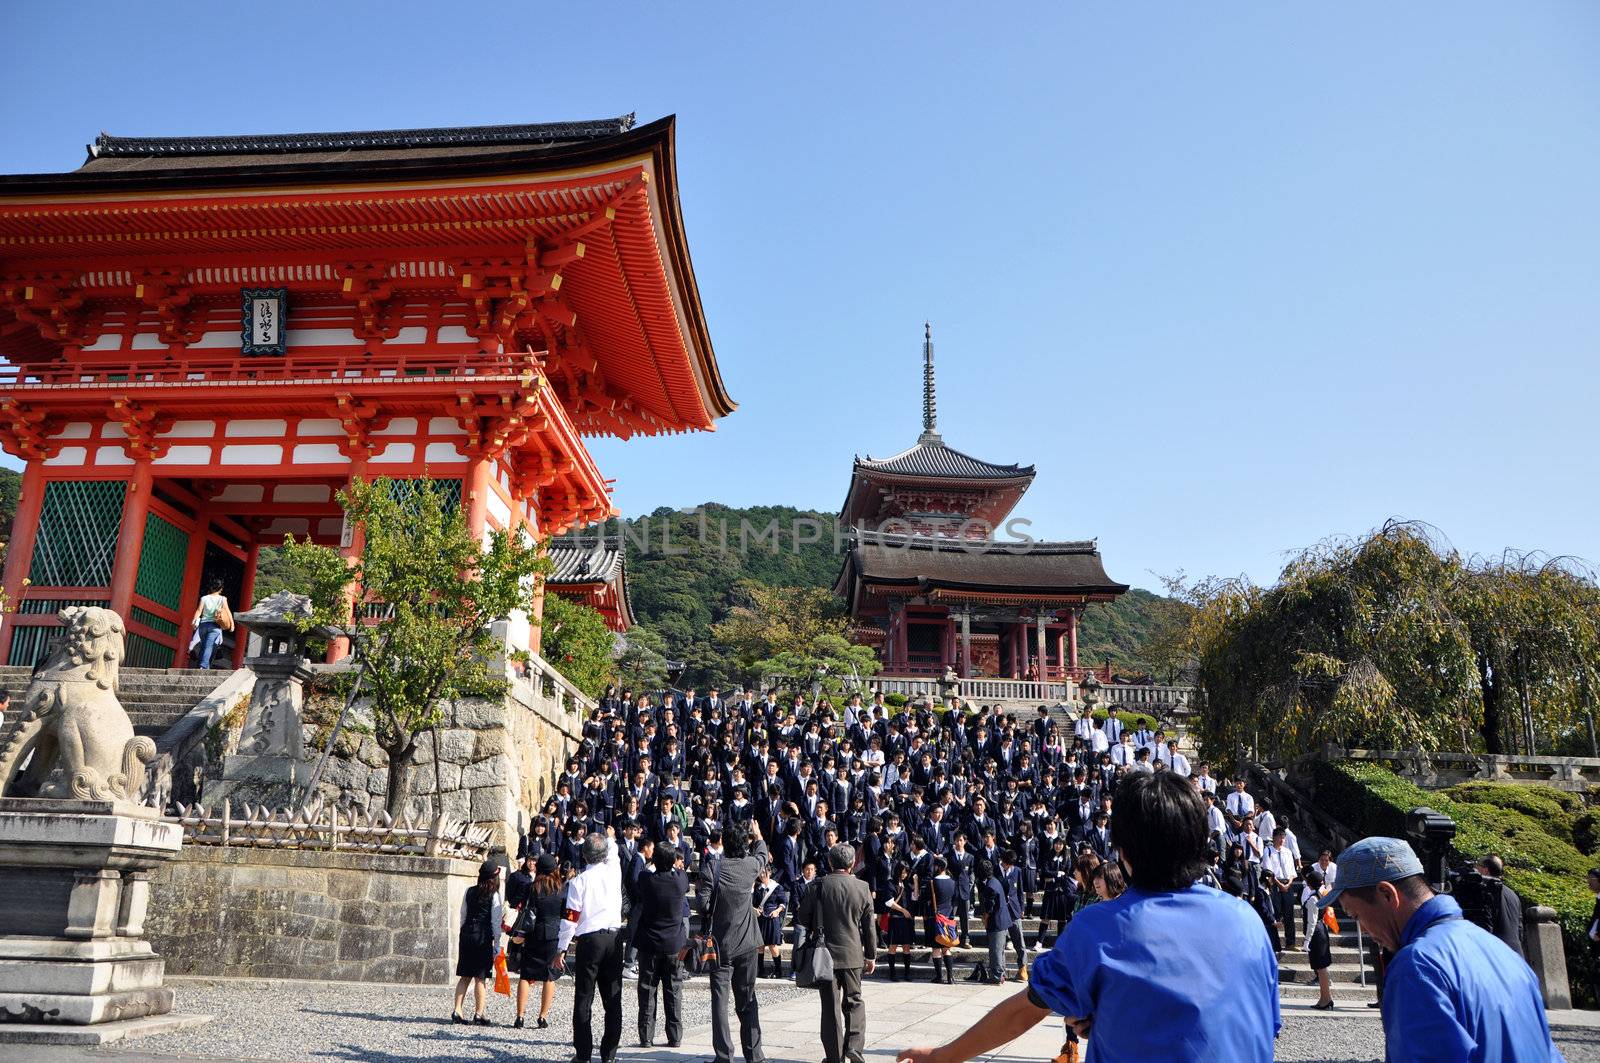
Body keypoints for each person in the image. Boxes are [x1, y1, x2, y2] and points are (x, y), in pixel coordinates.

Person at [898, 772, 1280, 1063]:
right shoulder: (1246, 920)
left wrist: (941, 1056)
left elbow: (1024, 1011)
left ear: (1123, 853)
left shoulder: (1099, 927)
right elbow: (1251, 1023)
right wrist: (1119, 1018)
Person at [1321, 836, 1564, 1063]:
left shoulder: (1417, 966)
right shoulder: (1503, 954)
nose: (1362, 929)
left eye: (1356, 915)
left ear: (1387, 894)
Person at [799, 842, 877, 1063]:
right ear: (852, 863)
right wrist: (870, 955)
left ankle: (834, 1057)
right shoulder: (862, 888)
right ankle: (854, 1047)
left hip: (824, 956)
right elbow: (869, 927)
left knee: (830, 1006)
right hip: (853, 954)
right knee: (855, 1001)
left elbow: (803, 920)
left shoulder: (817, 886)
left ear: (830, 862)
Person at [699, 821, 769, 1063]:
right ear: (744, 843)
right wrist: (758, 835)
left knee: (720, 1000)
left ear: (724, 844)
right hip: (748, 943)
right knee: (747, 998)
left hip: (720, 945)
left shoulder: (713, 868)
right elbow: (762, 854)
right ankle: (754, 1053)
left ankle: (723, 1055)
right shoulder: (750, 866)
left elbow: (704, 905)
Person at [555, 827, 625, 1063]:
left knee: (584, 997)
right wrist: (610, 837)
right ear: (604, 855)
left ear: (583, 856)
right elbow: (613, 851)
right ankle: (609, 1054)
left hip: (590, 939)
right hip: (614, 937)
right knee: (613, 999)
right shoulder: (614, 871)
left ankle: (583, 1054)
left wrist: (561, 948)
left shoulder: (579, 881)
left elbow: (570, 919)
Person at [634, 845, 688, 1048]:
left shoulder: (647, 880)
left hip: (649, 942)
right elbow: (680, 870)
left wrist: (653, 863)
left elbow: (644, 872)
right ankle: (674, 1036)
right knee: (673, 991)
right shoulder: (679, 880)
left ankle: (646, 1037)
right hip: (673, 943)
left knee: (647, 990)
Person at [509, 854, 565, 1029]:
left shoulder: (533, 887)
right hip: (553, 934)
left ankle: (520, 1016)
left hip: (534, 933)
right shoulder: (560, 889)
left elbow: (526, 910)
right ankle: (542, 1016)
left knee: (526, 974)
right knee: (549, 976)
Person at [451, 859, 504, 1026]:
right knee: (480, 977)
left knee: (465, 975)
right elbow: (496, 923)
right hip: (482, 935)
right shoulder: (494, 895)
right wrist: (497, 944)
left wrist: (464, 932)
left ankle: (457, 1010)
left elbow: (463, 915)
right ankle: (479, 1013)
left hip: (467, 933)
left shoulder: (469, 891)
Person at [1476, 853, 1525, 959]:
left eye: (1477, 865)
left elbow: (1486, 926)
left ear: (1485, 870)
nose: (1475, 869)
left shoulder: (1485, 891)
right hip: (1517, 955)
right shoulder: (1513, 895)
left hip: (1496, 955)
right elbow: (1520, 929)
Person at [1300, 866, 1334, 1010]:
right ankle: (1324, 998)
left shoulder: (1313, 898)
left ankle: (1326, 999)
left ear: (1309, 883)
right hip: (1321, 930)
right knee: (1321, 968)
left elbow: (1312, 921)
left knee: (1321, 968)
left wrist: (1306, 940)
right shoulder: (1320, 895)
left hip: (1316, 932)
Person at [755, 864, 788, 979]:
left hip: (772, 918)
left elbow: (784, 902)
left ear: (769, 873)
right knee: (760, 945)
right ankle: (760, 970)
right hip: (760, 918)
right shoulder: (758, 888)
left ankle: (778, 970)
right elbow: (753, 903)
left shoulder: (777, 887)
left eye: (764, 873)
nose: (761, 875)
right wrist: (755, 910)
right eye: (760, 873)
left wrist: (778, 911)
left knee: (773, 945)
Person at [190, 577, 232, 670]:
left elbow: (199, 610)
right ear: (221, 589)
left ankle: (202, 666)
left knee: (204, 646)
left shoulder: (204, 598)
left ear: (211, 587)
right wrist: (232, 625)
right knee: (209, 646)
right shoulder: (222, 599)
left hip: (203, 625)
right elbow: (228, 612)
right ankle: (203, 666)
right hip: (215, 626)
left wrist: (194, 620)